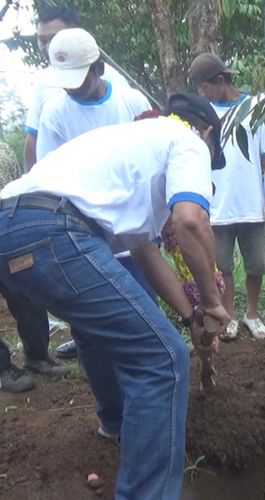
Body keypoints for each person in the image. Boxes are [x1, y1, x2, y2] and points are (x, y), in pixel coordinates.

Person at [0, 92, 230, 499]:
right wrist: (213, 302)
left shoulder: (128, 151)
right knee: (162, 358)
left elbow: (145, 252)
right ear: (208, 132)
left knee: (113, 335)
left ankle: (121, 427)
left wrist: (191, 315)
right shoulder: (188, 139)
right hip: (54, 228)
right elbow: (191, 220)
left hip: (12, 225)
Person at [35, 27, 152, 360]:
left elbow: (147, 159)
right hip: (85, 234)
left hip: (134, 231)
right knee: (95, 326)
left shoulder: (130, 101)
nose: (73, 90)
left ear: (98, 68)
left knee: (143, 308)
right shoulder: (55, 113)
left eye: (80, 79)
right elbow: (49, 176)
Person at [188, 53, 265, 340]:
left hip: (250, 201)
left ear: (220, 80)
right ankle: (230, 317)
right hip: (216, 204)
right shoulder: (202, 112)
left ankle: (252, 314)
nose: (201, 93)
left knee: (256, 265)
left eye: (204, 87)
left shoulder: (254, 107)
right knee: (222, 267)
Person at [24, 5, 129, 170]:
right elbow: (33, 140)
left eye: (55, 38)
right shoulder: (44, 82)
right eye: (42, 40)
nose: (49, 47)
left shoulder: (114, 81)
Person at [0, 142, 69, 392]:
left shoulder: (4, 151)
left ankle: (37, 357)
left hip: (8, 232)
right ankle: (2, 369)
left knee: (27, 295)